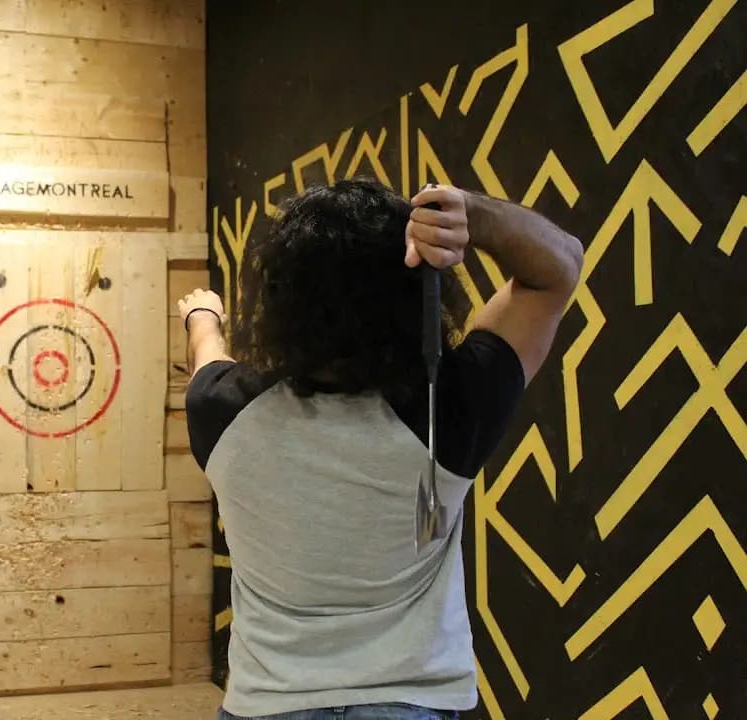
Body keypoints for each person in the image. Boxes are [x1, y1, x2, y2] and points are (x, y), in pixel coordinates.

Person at [179, 179, 583, 720]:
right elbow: (558, 269)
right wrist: (472, 216)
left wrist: (202, 314)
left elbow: (206, 353)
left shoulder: (220, 411)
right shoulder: (452, 409)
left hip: (267, 706)